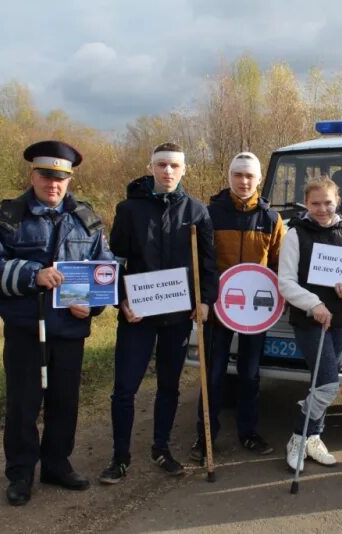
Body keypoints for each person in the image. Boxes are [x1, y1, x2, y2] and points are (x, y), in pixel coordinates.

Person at [0, 140, 114, 506]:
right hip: (26, 330)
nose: (54, 184)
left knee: (65, 402)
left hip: (68, 331)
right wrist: (33, 274)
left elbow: (105, 268)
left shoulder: (86, 217)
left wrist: (93, 306)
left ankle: (56, 464)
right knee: (23, 404)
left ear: (69, 179)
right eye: (47, 176)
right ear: (33, 175)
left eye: (61, 178)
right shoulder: (9, 216)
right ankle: (20, 473)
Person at [98, 142, 218, 484]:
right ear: (151, 167)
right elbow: (114, 261)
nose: (167, 171)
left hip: (177, 317)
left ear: (184, 170)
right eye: (162, 165)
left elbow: (208, 264)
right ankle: (119, 458)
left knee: (169, 386)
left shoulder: (197, 212)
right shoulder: (129, 210)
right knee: (124, 388)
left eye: (174, 166)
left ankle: (161, 448)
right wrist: (120, 298)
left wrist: (206, 300)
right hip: (136, 316)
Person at [190, 152, 285, 463]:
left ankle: (249, 432)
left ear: (258, 179)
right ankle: (205, 435)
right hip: (219, 307)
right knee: (214, 373)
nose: (243, 181)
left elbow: (277, 265)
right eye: (238, 175)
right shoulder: (210, 214)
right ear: (229, 177)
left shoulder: (271, 219)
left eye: (249, 176)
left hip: (255, 312)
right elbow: (202, 261)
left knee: (250, 374)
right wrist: (205, 298)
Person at [278, 177, 342, 471]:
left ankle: (314, 437)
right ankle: (298, 437)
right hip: (310, 321)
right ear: (306, 203)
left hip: (341, 320)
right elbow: (285, 282)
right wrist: (313, 303)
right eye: (315, 203)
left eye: (327, 202)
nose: (322, 209)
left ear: (337, 201)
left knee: (320, 383)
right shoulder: (295, 234)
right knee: (328, 385)